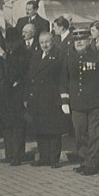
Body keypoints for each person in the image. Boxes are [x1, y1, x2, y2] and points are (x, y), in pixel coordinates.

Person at [60, 28, 99, 176]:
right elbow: (63, 80)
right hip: (77, 104)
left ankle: (92, 164)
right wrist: (65, 100)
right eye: (76, 40)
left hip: (96, 104)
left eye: (82, 40)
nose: (78, 42)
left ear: (89, 40)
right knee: (80, 134)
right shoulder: (69, 57)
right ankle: (84, 161)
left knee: (96, 135)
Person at [26, 31, 68, 167]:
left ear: (52, 41)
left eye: (47, 42)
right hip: (38, 98)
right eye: (42, 42)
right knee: (40, 129)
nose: (45, 45)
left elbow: (63, 77)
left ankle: (54, 159)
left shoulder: (59, 55)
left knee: (54, 130)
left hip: (52, 98)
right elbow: (31, 75)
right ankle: (43, 157)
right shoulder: (36, 55)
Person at [0, 27, 29, 165]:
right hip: (5, 94)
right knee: (7, 126)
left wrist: (3, 55)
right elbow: (0, 74)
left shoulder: (23, 53)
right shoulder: (9, 52)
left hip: (17, 94)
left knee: (17, 127)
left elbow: (17, 69)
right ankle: (9, 154)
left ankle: (18, 155)